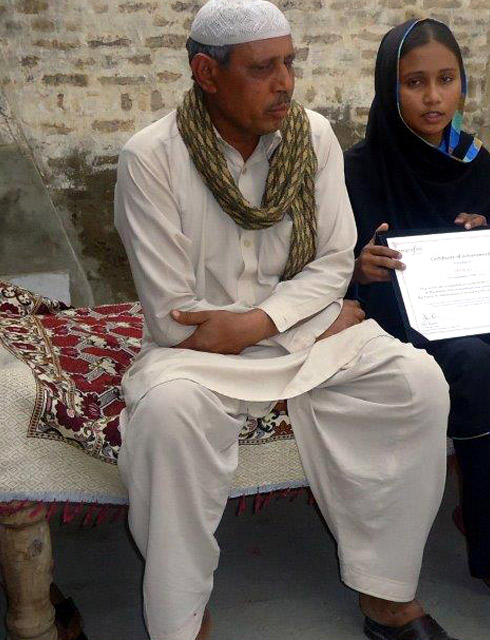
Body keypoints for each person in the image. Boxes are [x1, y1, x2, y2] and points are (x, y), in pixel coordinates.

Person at [113, 2, 459, 639]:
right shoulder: (150, 159)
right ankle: (181, 620)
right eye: (262, 68)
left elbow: (334, 261)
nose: (284, 84)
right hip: (199, 359)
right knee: (165, 421)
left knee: (417, 384)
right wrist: (303, 318)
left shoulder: (313, 137)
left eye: (289, 64)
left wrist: (262, 324)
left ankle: (385, 594)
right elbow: (175, 317)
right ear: (206, 73)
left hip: (298, 338)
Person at [343, 18, 490, 605]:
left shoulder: (474, 160)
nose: (432, 97)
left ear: (462, 85)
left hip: (479, 308)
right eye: (414, 82)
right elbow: (331, 257)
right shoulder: (361, 165)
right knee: (473, 367)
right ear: (388, 86)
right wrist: (360, 263)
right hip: (401, 317)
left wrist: (487, 233)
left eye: (446, 80)